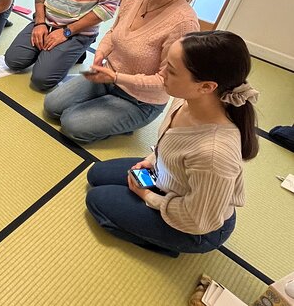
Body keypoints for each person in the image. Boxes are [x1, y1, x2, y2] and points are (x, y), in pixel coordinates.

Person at [85, 31, 259, 258]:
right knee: (97, 175)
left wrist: (147, 196)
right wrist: (150, 162)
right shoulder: (186, 99)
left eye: (172, 71)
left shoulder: (214, 153)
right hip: (169, 179)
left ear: (206, 87)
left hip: (197, 226)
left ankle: (166, 244)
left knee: (96, 201)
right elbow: (167, 146)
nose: (162, 74)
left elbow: (198, 219)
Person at [44, 0, 201, 143]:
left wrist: (117, 78)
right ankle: (102, 106)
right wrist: (100, 54)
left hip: (140, 100)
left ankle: (124, 122)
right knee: (52, 106)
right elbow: (113, 33)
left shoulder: (183, 23)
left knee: (71, 125)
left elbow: (165, 82)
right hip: (107, 77)